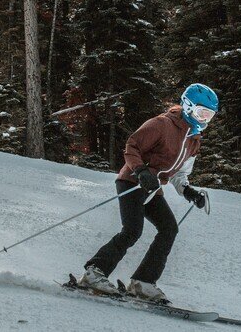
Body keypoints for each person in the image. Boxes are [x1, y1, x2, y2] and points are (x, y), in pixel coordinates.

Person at [78, 83, 219, 303]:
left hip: (153, 189)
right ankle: (93, 273)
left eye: (210, 115)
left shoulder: (193, 140)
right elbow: (132, 146)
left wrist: (189, 191)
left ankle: (143, 283)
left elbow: (179, 174)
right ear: (188, 106)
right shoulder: (162, 124)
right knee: (132, 231)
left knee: (169, 229)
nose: (205, 120)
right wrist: (141, 171)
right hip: (132, 182)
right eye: (202, 113)